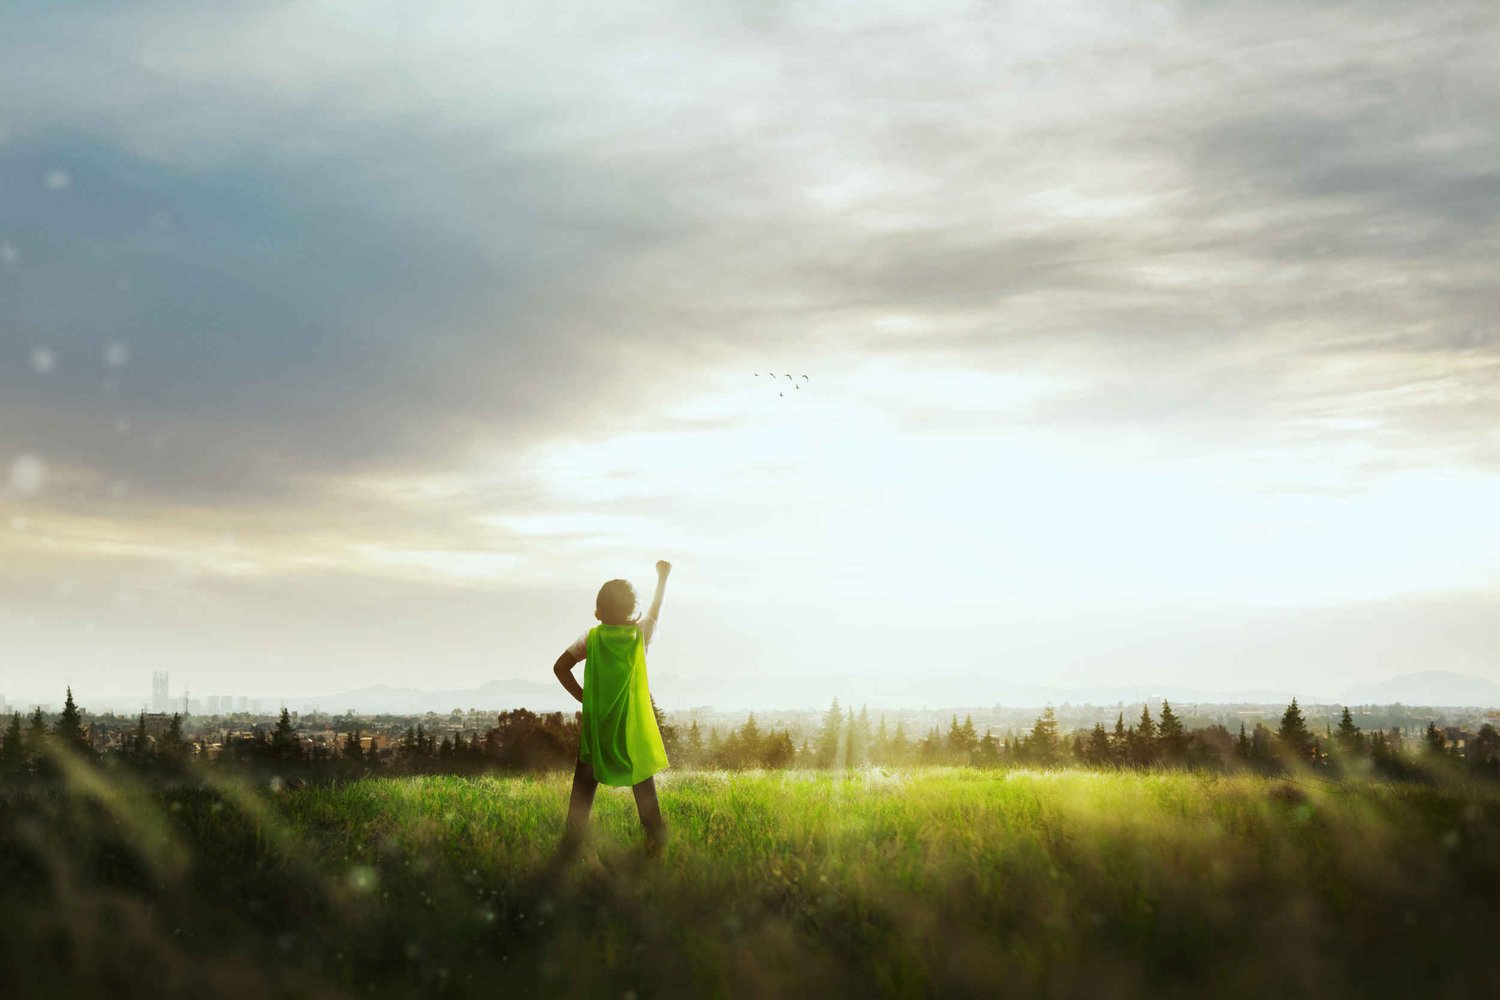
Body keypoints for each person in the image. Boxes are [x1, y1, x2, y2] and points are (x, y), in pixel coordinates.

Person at [551, 560, 673, 862]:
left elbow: (560, 667)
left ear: (598, 614)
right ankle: (655, 837)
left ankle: (572, 841)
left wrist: (586, 699)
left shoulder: (590, 639)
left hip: (598, 727)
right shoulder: (640, 636)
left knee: (584, 781)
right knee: (642, 780)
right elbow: (656, 611)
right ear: (636, 615)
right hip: (630, 729)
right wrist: (662, 578)